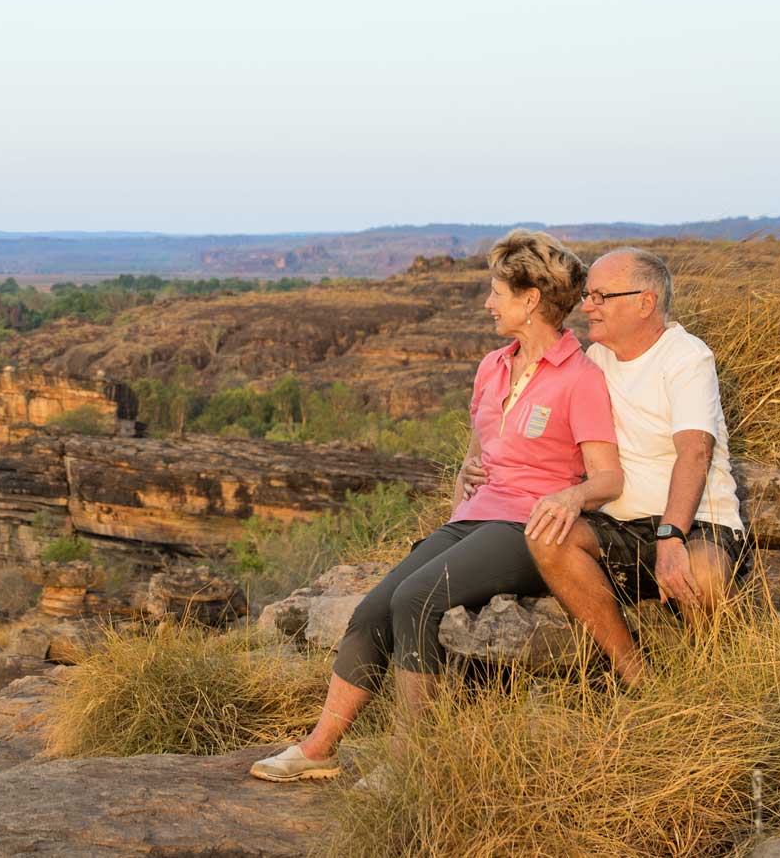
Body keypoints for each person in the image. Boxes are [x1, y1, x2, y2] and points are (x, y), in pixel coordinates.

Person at [251, 230, 623, 783]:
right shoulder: (492, 366)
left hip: (526, 525)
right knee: (375, 607)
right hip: (474, 519)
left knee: (416, 599)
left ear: (531, 300)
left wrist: (571, 495)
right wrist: (460, 493)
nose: (488, 303)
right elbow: (476, 456)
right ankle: (319, 748)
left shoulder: (580, 377)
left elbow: (608, 477)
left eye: (497, 293)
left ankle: (410, 762)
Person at [516, 247, 749, 685]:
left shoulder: (686, 357)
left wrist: (671, 537)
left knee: (700, 573)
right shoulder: (596, 359)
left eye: (601, 296)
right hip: (621, 527)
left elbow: (694, 452)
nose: (588, 306)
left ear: (645, 303)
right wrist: (487, 462)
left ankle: (722, 678)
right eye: (587, 296)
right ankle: (636, 675)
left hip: (696, 524)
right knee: (547, 537)